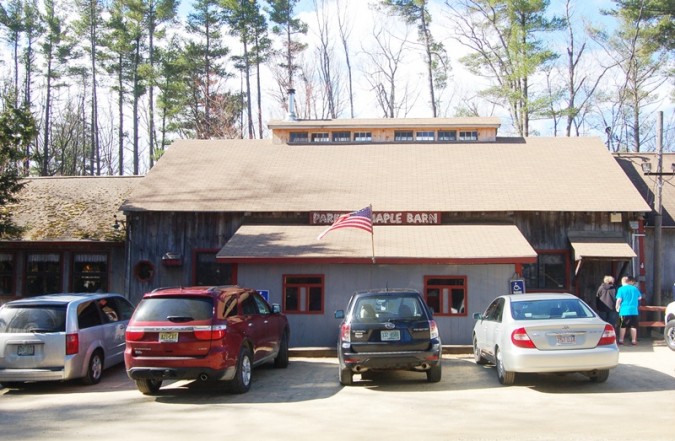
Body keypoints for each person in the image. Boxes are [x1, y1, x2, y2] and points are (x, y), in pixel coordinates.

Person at [615, 275, 642, 345]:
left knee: (622, 326)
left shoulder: (621, 289)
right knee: (633, 326)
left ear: (622, 282)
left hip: (624, 311)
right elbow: (640, 297)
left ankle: (621, 340)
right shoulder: (635, 289)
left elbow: (619, 299)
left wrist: (617, 306)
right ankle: (633, 340)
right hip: (634, 310)